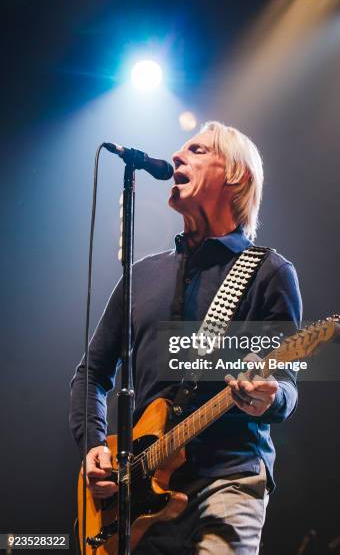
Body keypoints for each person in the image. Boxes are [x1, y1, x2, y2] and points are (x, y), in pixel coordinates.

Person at [69, 120, 302, 554]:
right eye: (180, 151)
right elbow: (91, 374)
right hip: (138, 492)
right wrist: (95, 447)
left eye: (197, 150)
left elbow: (285, 380)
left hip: (228, 478)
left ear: (237, 176)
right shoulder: (140, 276)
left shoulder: (268, 273)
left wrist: (272, 397)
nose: (177, 156)